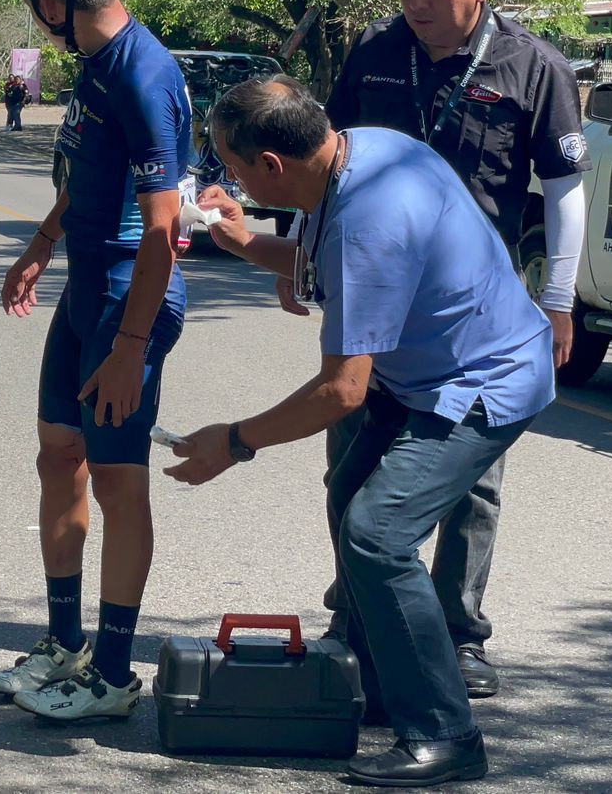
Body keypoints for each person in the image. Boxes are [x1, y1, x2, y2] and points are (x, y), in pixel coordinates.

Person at [170, 76, 553, 787]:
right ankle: (379, 684)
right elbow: (324, 265)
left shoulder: (371, 217)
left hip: (483, 384)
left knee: (377, 533)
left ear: (272, 167)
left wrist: (235, 441)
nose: (230, 178)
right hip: (424, 373)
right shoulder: (364, 152)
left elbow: (340, 390)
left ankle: (446, 733)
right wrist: (246, 240)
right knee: (351, 500)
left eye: (233, 166)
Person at [319, 0, 590, 697]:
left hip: (474, 310)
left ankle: (459, 633)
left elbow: (565, 192)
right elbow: (326, 157)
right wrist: (304, 253)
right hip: (370, 292)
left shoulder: (534, 67)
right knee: (352, 459)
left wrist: (560, 300)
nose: (416, 2)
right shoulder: (375, 51)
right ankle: (357, 618)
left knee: (470, 475)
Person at [0, 0, 192, 721]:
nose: (34, 17)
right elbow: (87, 171)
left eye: (33, 0)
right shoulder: (98, 64)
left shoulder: (143, 72)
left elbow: (167, 226)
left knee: (118, 480)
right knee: (57, 458)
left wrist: (131, 343)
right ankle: (63, 642)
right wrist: (41, 242)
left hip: (128, 299)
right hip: (85, 288)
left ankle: (111, 674)